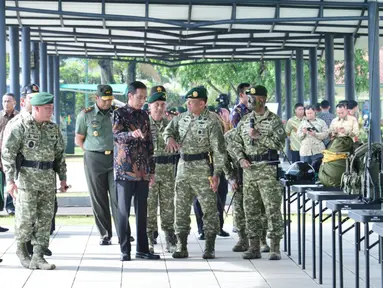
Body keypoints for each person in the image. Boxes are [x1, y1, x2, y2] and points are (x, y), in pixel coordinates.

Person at [2, 92, 68, 270]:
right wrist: (9, 181)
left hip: (47, 181)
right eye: (47, 109)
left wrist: (63, 179)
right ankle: (22, 251)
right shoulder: (21, 126)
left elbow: (60, 156)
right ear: (36, 108)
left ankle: (38, 255)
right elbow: (8, 154)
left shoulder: (53, 129)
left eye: (52, 108)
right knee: (25, 218)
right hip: (27, 181)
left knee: (45, 219)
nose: (50, 112)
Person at [163, 86, 226, 259]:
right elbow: (168, 130)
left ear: (203, 103)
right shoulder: (181, 118)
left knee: (209, 209)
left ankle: (209, 246)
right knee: (181, 209)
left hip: (203, 168)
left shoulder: (213, 121)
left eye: (192, 102)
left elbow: (219, 150)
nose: (188, 105)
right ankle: (181, 246)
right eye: (188, 101)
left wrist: (217, 174)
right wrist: (170, 138)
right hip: (183, 168)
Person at [231, 85, 286, 260]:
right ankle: (253, 246)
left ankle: (275, 247)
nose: (249, 101)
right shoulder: (245, 120)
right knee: (251, 209)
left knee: (271, 209)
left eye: (252, 99)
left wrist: (260, 136)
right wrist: (240, 158)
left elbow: (280, 144)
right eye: (248, 98)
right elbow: (235, 142)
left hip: (268, 168)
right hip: (249, 170)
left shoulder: (274, 120)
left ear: (262, 99)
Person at [112, 81, 160, 261]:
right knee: (123, 212)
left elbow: (149, 144)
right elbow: (116, 136)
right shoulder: (119, 114)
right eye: (139, 97)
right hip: (125, 171)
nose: (142, 101)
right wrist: (131, 135)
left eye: (144, 98)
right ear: (130, 96)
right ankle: (125, 249)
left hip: (142, 171)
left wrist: (151, 170)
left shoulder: (144, 116)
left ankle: (142, 249)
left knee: (142, 212)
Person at [75, 85, 120, 246]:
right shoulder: (85, 115)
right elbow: (79, 138)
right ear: (97, 98)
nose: (108, 103)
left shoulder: (117, 113)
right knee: (98, 198)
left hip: (115, 159)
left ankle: (123, 232)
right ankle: (105, 234)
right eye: (105, 100)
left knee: (118, 197)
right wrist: (91, 151)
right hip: (94, 159)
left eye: (110, 99)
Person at [146, 89, 177, 254]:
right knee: (149, 205)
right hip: (150, 171)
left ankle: (170, 238)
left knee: (168, 206)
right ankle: (149, 238)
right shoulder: (144, 123)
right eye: (156, 104)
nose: (159, 108)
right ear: (150, 105)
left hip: (167, 171)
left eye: (162, 104)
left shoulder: (171, 124)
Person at [0, 93, 18, 216]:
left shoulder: (19, 117)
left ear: (14, 103)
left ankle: (11, 206)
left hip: (14, 156)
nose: (6, 103)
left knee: (12, 180)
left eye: (8, 101)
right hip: (0, 155)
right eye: (4, 101)